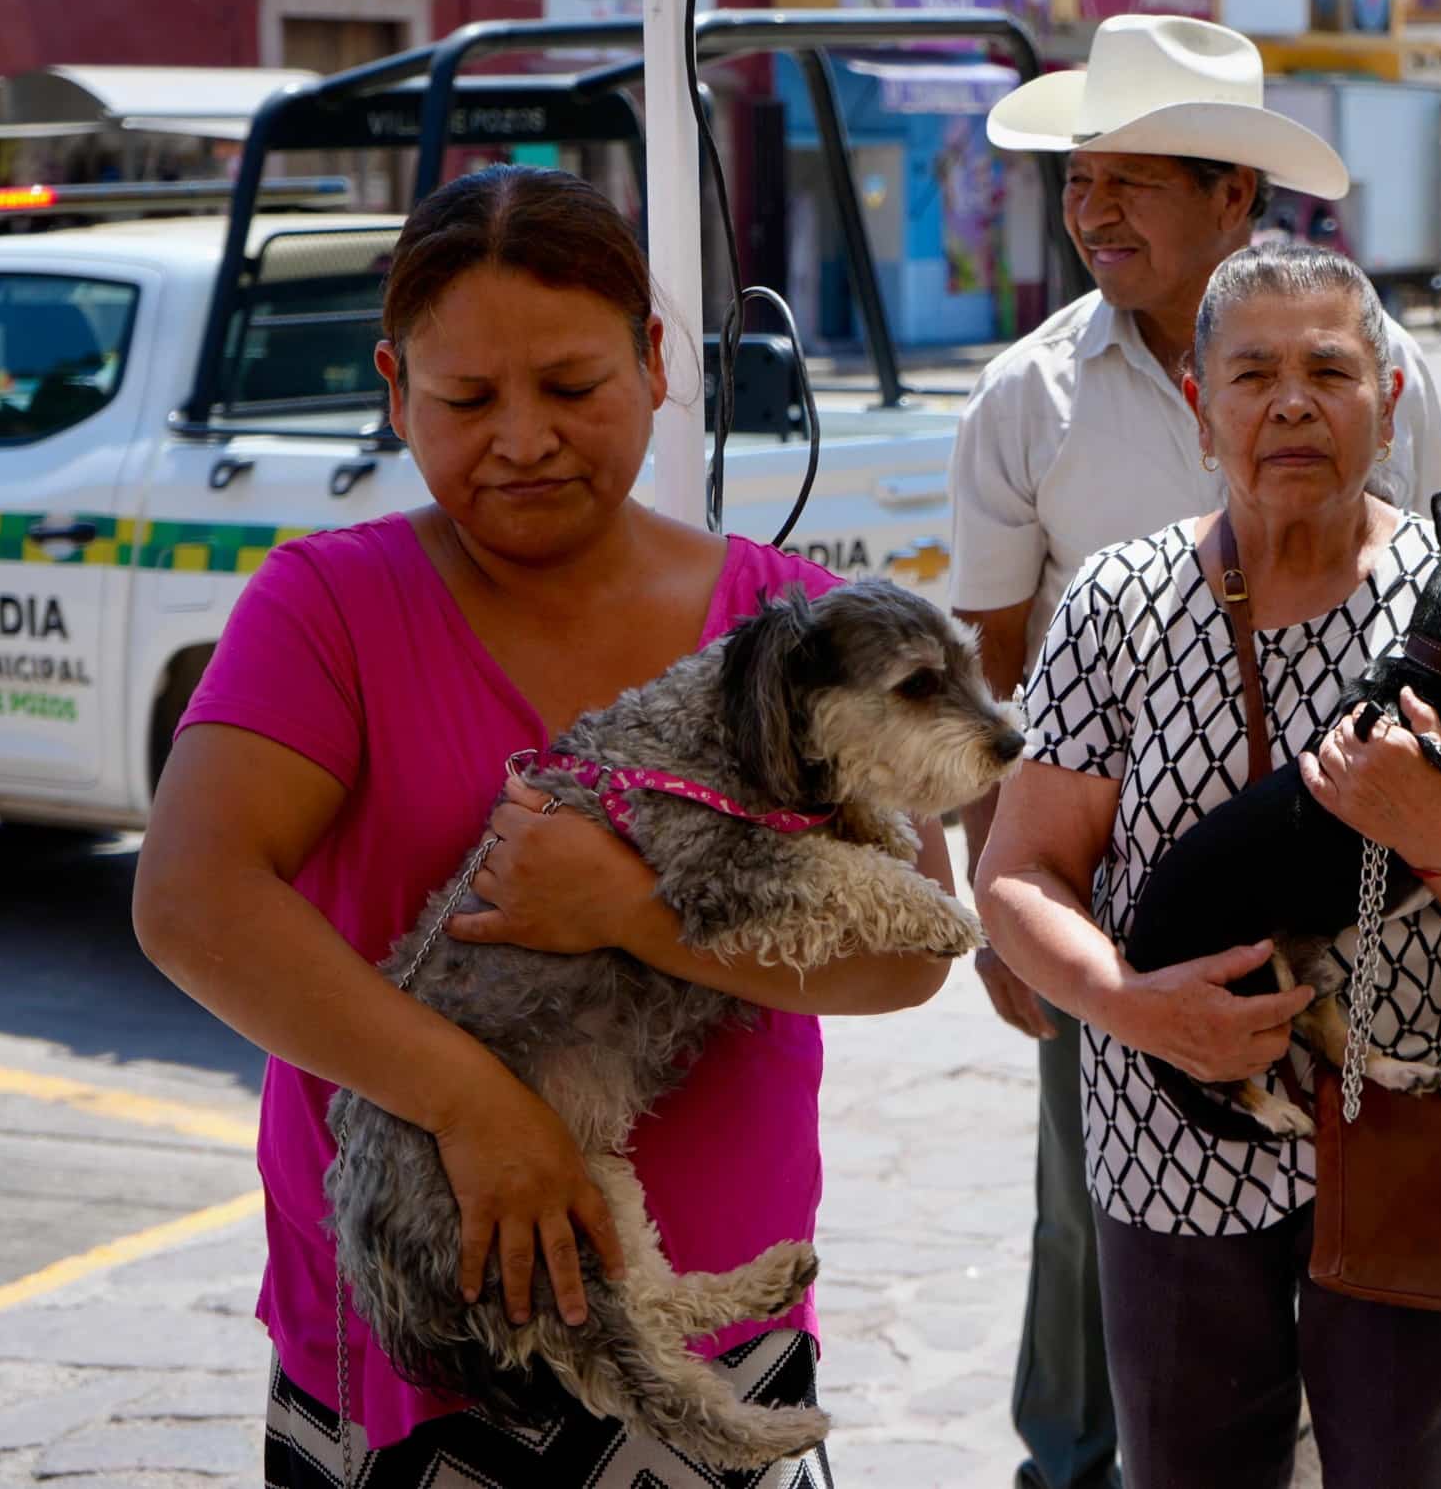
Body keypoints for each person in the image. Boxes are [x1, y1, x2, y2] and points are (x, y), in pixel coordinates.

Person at [132, 166, 960, 1488]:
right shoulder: (328, 608)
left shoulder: (791, 632)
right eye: (466, 399)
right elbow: (192, 899)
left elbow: (908, 949)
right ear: (396, 391)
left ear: (657, 360)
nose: (522, 437)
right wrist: (473, 1108)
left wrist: (630, 912)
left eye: (572, 387)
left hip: (711, 1353)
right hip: (409, 1350)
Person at [974, 245, 1441, 1489]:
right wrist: (1129, 1006)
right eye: (1251, 373)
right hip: (1167, 1134)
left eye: (1329, 370)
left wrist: (1429, 825)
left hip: (1422, 1122)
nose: (1292, 403)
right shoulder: (1116, 602)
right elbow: (1019, 874)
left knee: (1414, 1470)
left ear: (1392, 400)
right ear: (1201, 411)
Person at [952, 14, 1441, 1489]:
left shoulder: (1386, 368)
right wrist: (1005, 905)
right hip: (1114, 919)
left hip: (1367, 910)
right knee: (1092, 1229)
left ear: (1234, 195)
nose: (1094, 211)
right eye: (1079, 180)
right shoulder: (1027, 396)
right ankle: (1073, 1471)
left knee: (1371, 1248)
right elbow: (988, 668)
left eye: (1133, 179)